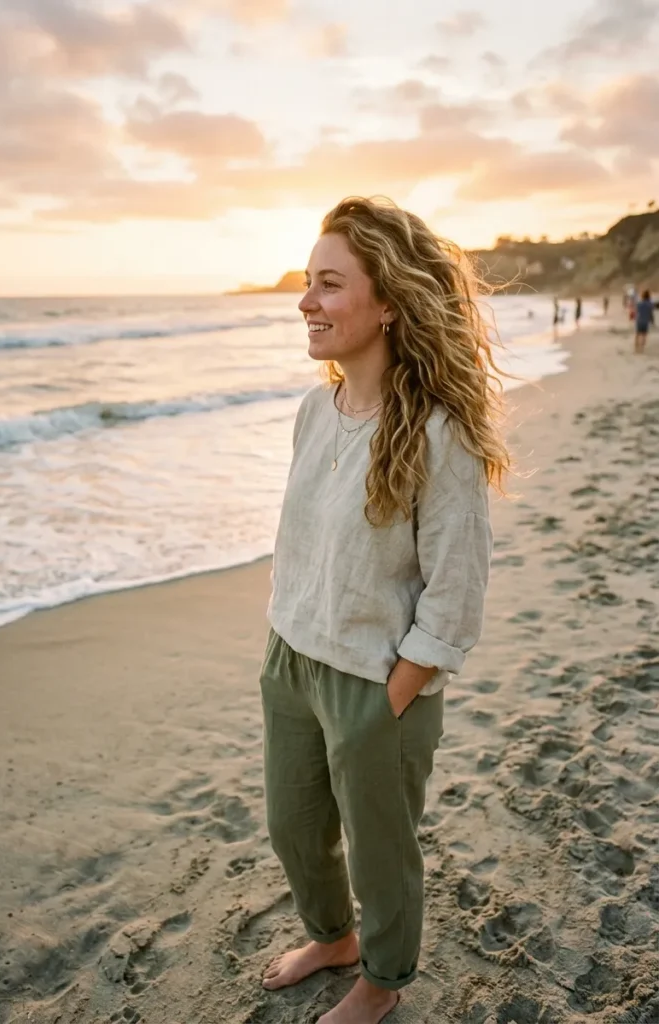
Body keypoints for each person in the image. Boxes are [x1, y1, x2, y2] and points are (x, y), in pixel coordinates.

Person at [260, 196, 509, 1024]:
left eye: (328, 285)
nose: (305, 301)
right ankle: (331, 938)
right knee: (293, 828)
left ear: (388, 302)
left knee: (380, 852)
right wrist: (283, 644)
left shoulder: (440, 435)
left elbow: (456, 588)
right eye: (307, 282)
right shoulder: (311, 410)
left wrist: (391, 696)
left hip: (377, 682)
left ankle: (383, 978)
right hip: (292, 660)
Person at [635, 289, 654, 353]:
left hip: (639, 320)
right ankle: (642, 349)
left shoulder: (640, 303)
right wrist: (652, 321)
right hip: (646, 321)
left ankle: (636, 347)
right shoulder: (650, 304)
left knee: (638, 334)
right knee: (644, 335)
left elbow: (637, 312)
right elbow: (651, 314)